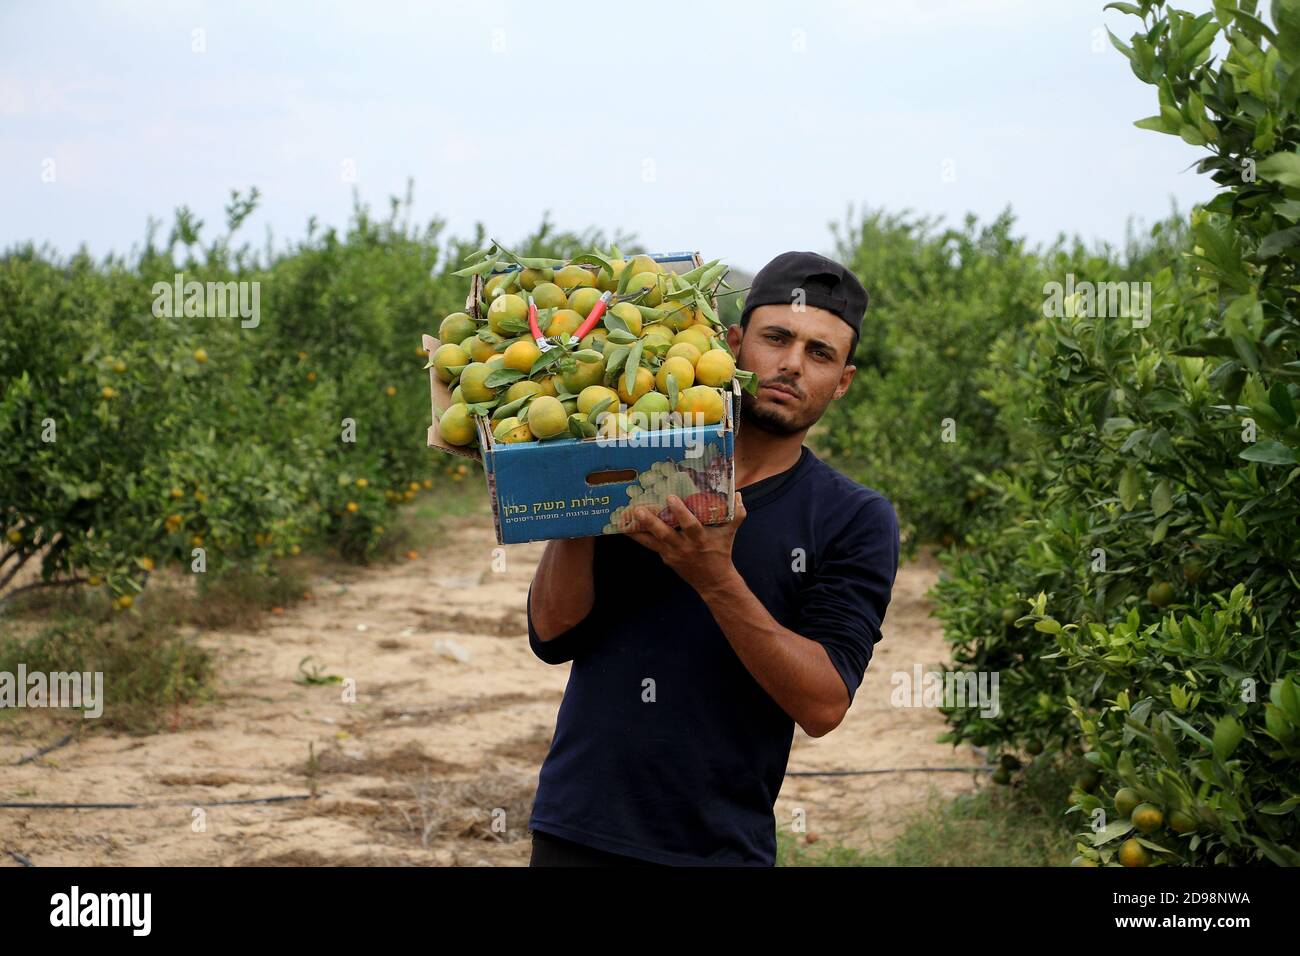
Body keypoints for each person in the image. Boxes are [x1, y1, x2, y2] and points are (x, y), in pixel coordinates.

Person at [525, 250, 900, 867]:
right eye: (776, 338)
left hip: (717, 848)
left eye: (820, 353)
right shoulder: (643, 461)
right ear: (732, 344)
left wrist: (714, 576)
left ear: (843, 380)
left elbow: (823, 703)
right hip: (575, 831)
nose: (790, 365)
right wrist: (582, 488)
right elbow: (551, 634)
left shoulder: (854, 518)